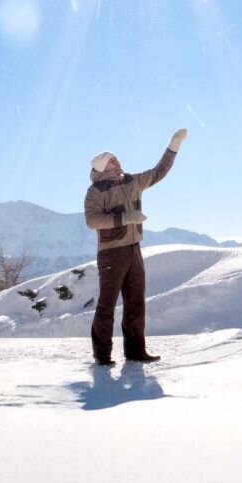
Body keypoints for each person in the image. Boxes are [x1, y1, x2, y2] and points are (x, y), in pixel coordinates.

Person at [83, 129, 187, 365]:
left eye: (116, 157)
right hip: (111, 253)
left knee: (136, 302)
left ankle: (135, 351)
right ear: (101, 166)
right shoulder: (96, 192)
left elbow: (158, 172)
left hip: (134, 250)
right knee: (107, 305)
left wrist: (173, 147)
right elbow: (92, 220)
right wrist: (125, 218)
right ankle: (102, 355)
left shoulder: (132, 182)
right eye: (111, 159)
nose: (116, 160)